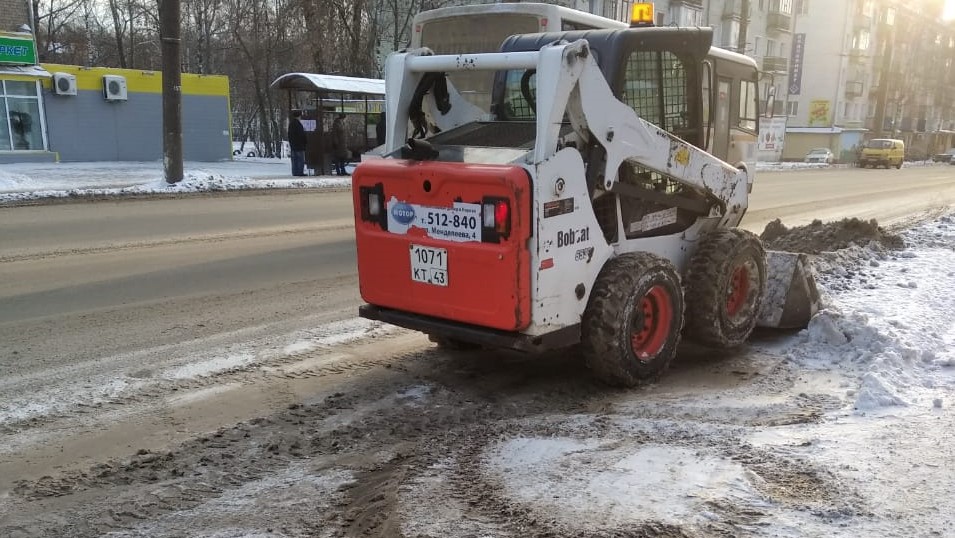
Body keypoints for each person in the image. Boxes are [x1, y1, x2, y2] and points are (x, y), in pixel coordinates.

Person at [287, 109, 307, 176]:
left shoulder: (291, 124)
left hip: (293, 145)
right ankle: (300, 172)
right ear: (299, 116)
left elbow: (289, 135)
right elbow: (301, 135)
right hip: (299, 146)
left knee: (294, 160)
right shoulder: (298, 125)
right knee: (300, 160)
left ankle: (295, 172)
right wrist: (305, 142)